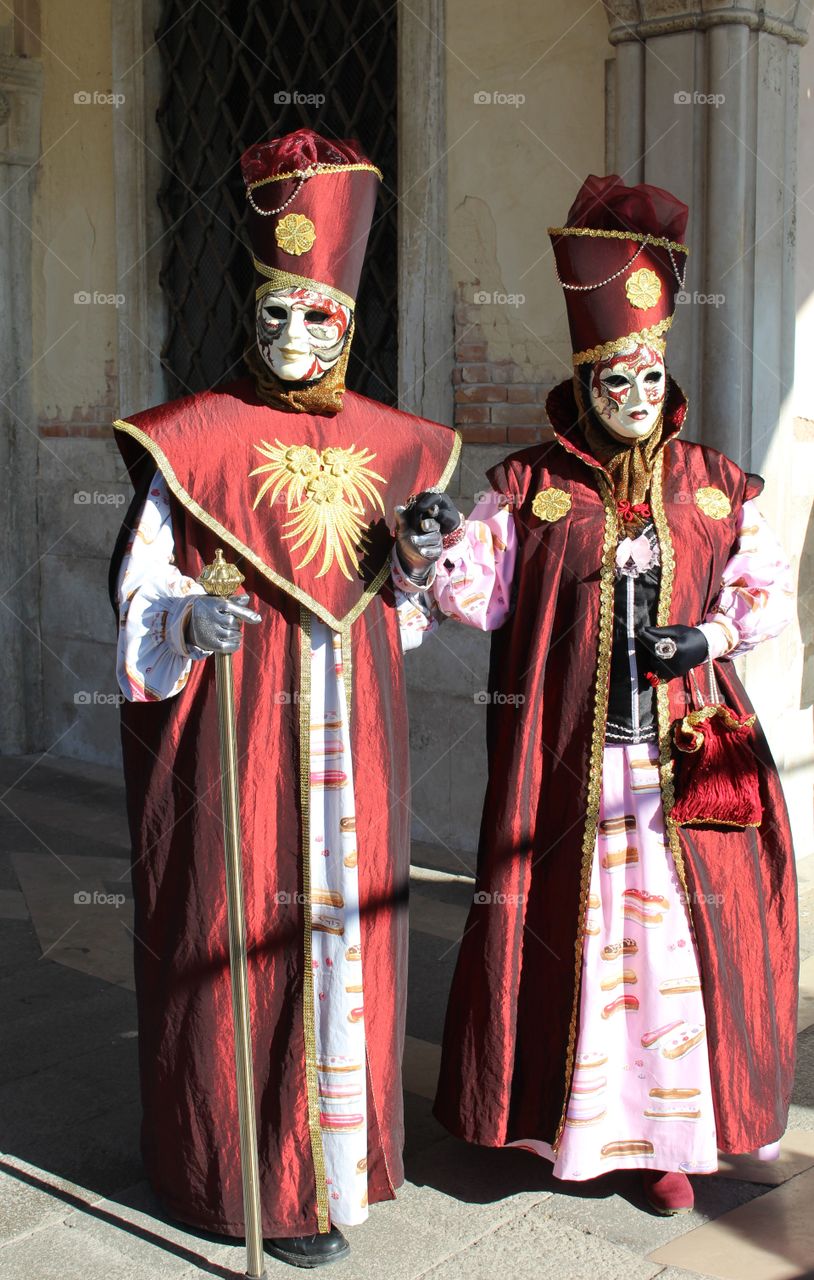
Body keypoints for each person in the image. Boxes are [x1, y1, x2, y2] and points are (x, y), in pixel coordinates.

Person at [394, 175, 799, 1216]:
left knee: (673, 940)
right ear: (585, 379)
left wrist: (702, 632)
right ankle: (560, 1126)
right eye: (616, 374)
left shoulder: (716, 480)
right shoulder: (528, 483)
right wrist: (425, 547)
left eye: (650, 372)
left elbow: (762, 593)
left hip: (686, 758)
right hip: (564, 759)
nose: (635, 390)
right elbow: (473, 596)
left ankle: (673, 1140)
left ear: (669, 376)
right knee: (575, 938)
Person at [109, 128, 458, 1267]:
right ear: (250, 312)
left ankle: (337, 1162)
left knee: (342, 942)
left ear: (347, 322)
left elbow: (396, 614)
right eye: (273, 313)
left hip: (347, 743)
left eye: (317, 316)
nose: (293, 336)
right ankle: (241, 1174)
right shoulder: (195, 437)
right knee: (237, 935)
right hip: (239, 741)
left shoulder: (394, 443)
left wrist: (412, 560)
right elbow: (144, 589)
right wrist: (181, 621)